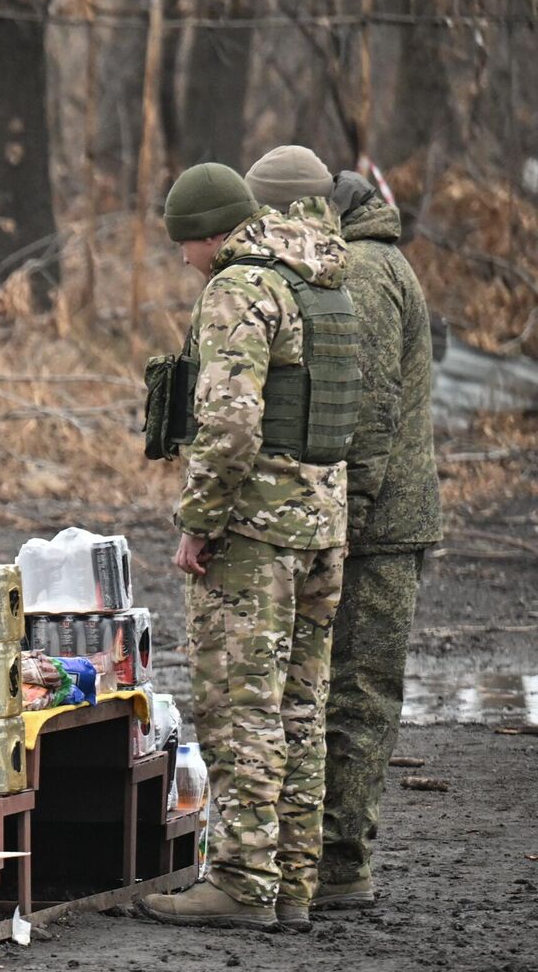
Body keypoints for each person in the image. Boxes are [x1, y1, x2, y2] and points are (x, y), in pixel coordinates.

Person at [137, 163, 353, 932]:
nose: (184, 259)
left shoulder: (239, 286)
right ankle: (292, 882)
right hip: (322, 525)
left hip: (254, 535)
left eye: (185, 243)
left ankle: (241, 881)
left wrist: (198, 521)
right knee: (300, 711)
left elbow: (229, 424)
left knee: (241, 709)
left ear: (210, 232)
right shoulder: (324, 279)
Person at [314, 169, 443, 911]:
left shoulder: (363, 271)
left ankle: (340, 866)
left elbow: (367, 410)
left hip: (378, 527)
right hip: (383, 519)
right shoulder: (377, 260)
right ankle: (330, 857)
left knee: (357, 695)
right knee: (352, 691)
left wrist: (346, 521)